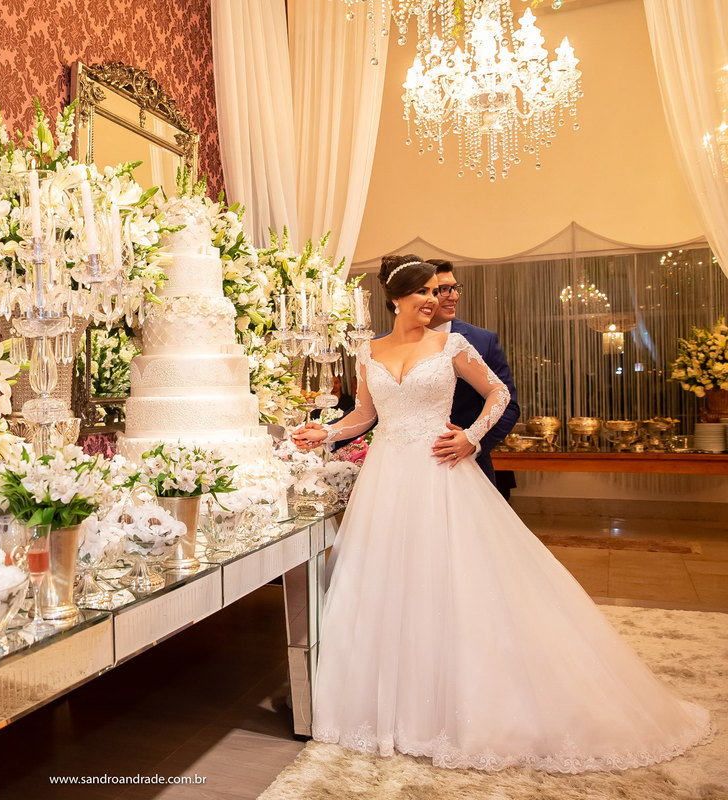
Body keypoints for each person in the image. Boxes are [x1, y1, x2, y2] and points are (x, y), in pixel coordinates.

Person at [290, 255, 711, 772]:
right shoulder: (368, 350)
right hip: (387, 478)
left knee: (457, 579)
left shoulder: (453, 344)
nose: (433, 299)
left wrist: (469, 437)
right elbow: (366, 414)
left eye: (435, 290)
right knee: (384, 581)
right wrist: (324, 433)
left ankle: (465, 699)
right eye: (421, 292)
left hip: (438, 471)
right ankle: (386, 704)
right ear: (395, 298)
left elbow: (499, 393)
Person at [427, 258, 520, 499]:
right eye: (443, 289)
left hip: (470, 468)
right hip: (412, 470)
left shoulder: (482, 341)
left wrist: (473, 441)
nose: (454, 296)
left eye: (455, 288)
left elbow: (508, 405)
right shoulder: (390, 344)